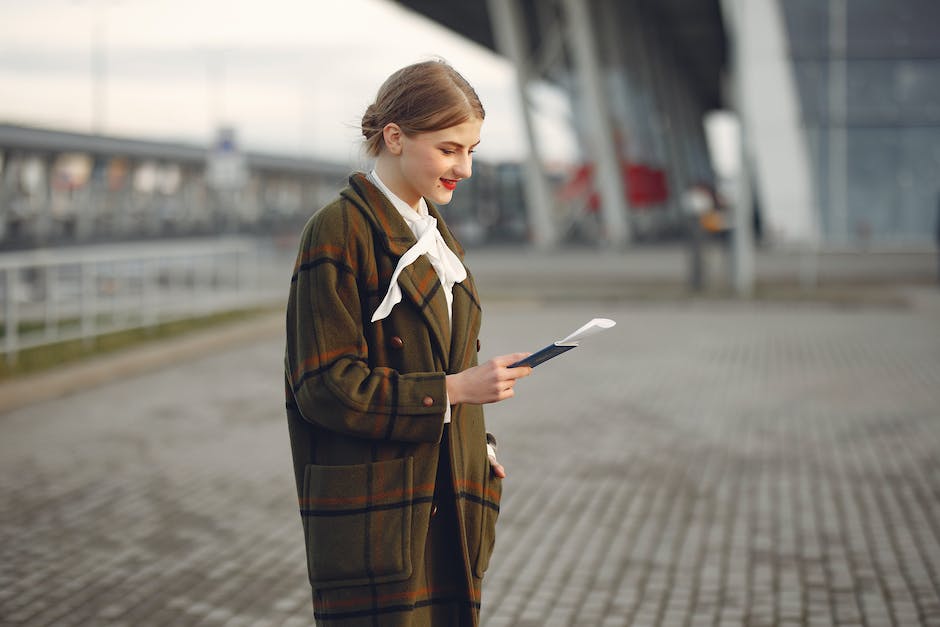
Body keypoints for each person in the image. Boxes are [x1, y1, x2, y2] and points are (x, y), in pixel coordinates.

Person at [284, 60, 532, 626]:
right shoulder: (339, 230)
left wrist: (481, 447)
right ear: (394, 137)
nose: (465, 168)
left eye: (471, 150)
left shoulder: (436, 236)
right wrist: (455, 389)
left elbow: (445, 364)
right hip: (382, 507)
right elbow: (322, 387)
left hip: (449, 491)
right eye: (450, 150)